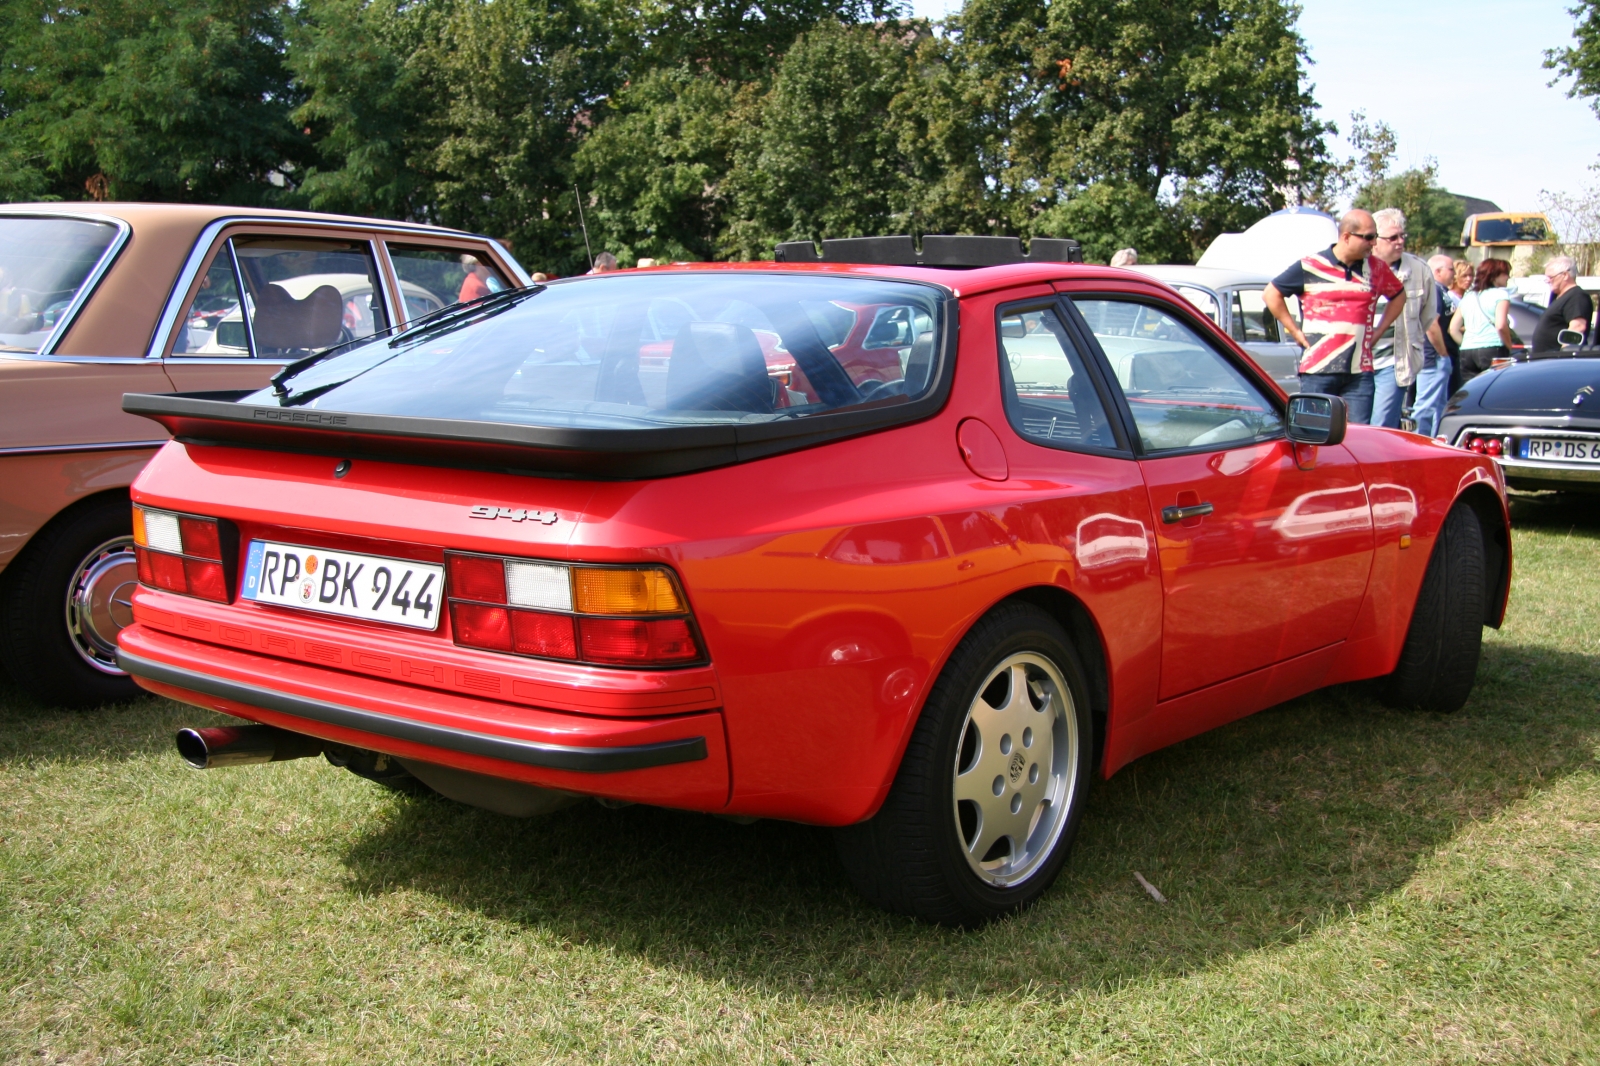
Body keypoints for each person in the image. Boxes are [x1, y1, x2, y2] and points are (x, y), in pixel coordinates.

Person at [1263, 208, 1406, 424]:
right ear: (1346, 237)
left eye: (1374, 236)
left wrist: (1378, 332)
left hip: (1360, 371)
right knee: (1312, 434)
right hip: (1317, 369)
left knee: (1357, 438)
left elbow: (1399, 296)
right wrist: (1294, 331)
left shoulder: (1376, 268)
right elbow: (1271, 294)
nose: (1373, 243)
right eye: (1368, 237)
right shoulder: (1311, 266)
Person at [1367, 209, 1445, 429]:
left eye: (1402, 236)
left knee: (1380, 425)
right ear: (1375, 241)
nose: (1400, 242)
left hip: (1395, 361)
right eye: (1393, 237)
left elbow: (1428, 316)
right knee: (1356, 425)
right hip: (1359, 363)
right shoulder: (1359, 268)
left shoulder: (1419, 270)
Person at [1410, 254, 1458, 438]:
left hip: (1436, 356)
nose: (1454, 273)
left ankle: (1434, 442)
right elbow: (1432, 324)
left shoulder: (1442, 290)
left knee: (1438, 405)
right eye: (1451, 269)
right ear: (1437, 271)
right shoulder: (1434, 289)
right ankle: (1418, 440)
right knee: (1426, 405)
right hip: (1433, 357)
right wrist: (1443, 353)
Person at [1450, 258, 1515, 382]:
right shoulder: (1501, 295)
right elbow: (1500, 325)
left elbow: (1453, 329)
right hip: (1493, 347)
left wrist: (1466, 343)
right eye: (1505, 273)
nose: (1508, 277)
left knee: (1471, 392)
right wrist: (1509, 346)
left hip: (1467, 351)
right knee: (1496, 390)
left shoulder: (1469, 296)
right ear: (1495, 276)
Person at [1532, 255, 1593, 351]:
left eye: (1551, 277)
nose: (1548, 281)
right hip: (1546, 360)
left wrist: (1563, 354)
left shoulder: (1577, 296)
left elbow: (1577, 327)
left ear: (1565, 275)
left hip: (1558, 361)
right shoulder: (1559, 297)